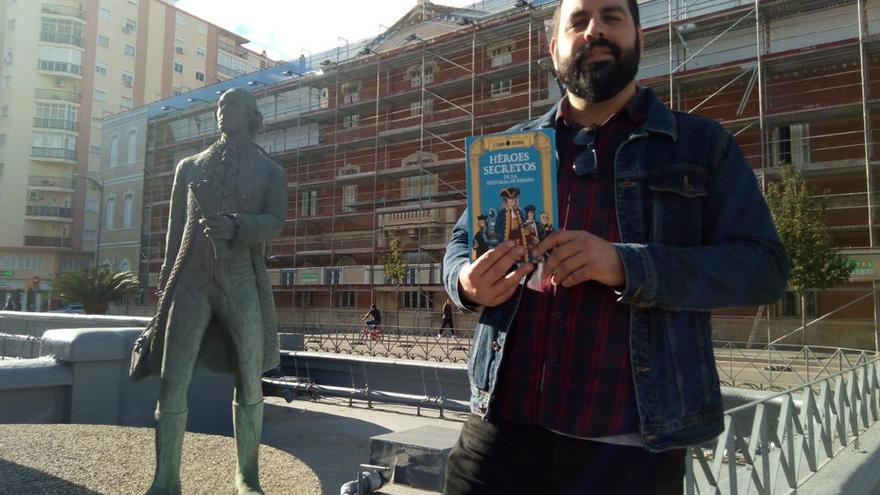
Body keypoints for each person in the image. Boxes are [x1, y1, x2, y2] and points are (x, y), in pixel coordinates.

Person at [441, 1, 789, 494]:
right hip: (498, 435)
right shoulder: (510, 148)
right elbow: (459, 242)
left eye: (611, 17)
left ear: (639, 38)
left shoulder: (700, 144)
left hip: (629, 455)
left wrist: (627, 263)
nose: (594, 31)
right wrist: (465, 282)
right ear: (553, 47)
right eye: (578, 21)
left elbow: (764, 268)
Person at [139, 88, 286, 495]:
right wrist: (164, 288)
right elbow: (172, 236)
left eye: (232, 105)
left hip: (241, 282)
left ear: (251, 114)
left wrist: (238, 226)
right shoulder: (189, 167)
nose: (223, 112)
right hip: (190, 281)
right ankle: (166, 478)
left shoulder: (270, 171)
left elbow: (275, 222)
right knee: (172, 377)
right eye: (220, 106)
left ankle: (246, 475)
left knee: (250, 377)